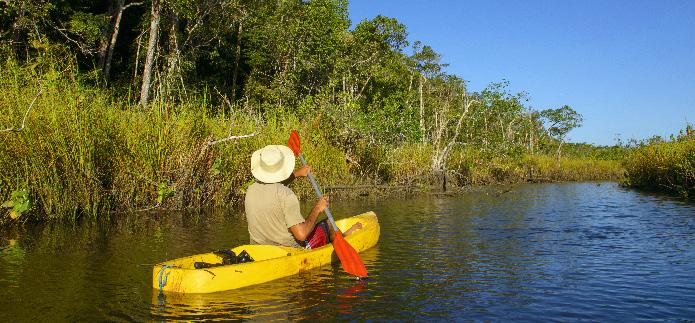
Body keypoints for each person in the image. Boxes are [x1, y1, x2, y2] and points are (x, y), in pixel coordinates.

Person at [244, 145, 361, 249]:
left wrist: (296, 174)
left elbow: (272, 188)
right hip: (289, 250)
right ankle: (344, 240)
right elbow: (301, 235)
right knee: (328, 223)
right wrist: (317, 208)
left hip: (259, 249)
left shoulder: (250, 190)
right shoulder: (287, 195)